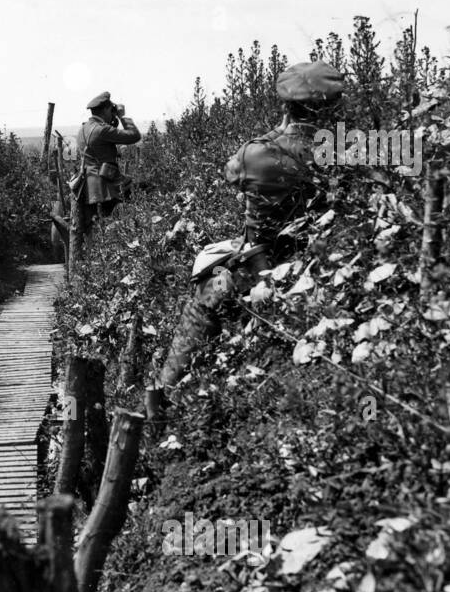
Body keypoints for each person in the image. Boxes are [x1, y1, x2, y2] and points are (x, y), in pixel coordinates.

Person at [148, 61, 345, 415]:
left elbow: (231, 174)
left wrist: (275, 135)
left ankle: (163, 395)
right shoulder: (344, 149)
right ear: (331, 107)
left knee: (201, 304)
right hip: (318, 261)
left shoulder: (256, 152)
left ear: (287, 106)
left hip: (262, 263)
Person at [74, 92, 141, 236]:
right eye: (111, 110)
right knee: (145, 190)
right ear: (105, 110)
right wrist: (122, 116)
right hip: (105, 186)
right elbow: (135, 136)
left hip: (88, 187)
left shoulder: (83, 129)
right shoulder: (102, 129)